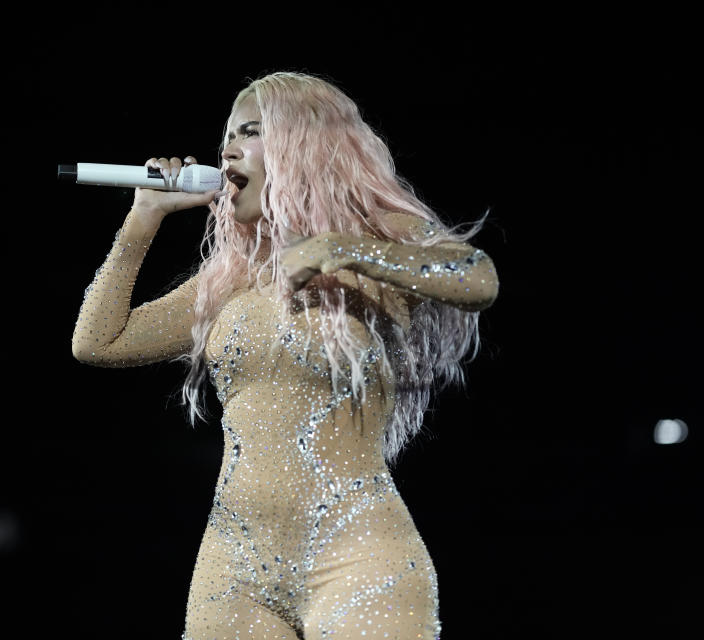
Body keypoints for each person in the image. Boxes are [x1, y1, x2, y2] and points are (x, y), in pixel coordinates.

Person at [72, 71, 498, 640]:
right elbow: (98, 343)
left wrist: (342, 250)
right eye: (226, 134)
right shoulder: (229, 278)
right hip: (233, 566)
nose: (225, 149)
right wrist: (141, 221)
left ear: (305, 143)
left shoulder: (375, 235)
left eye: (249, 131)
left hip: (356, 551)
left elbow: (476, 277)